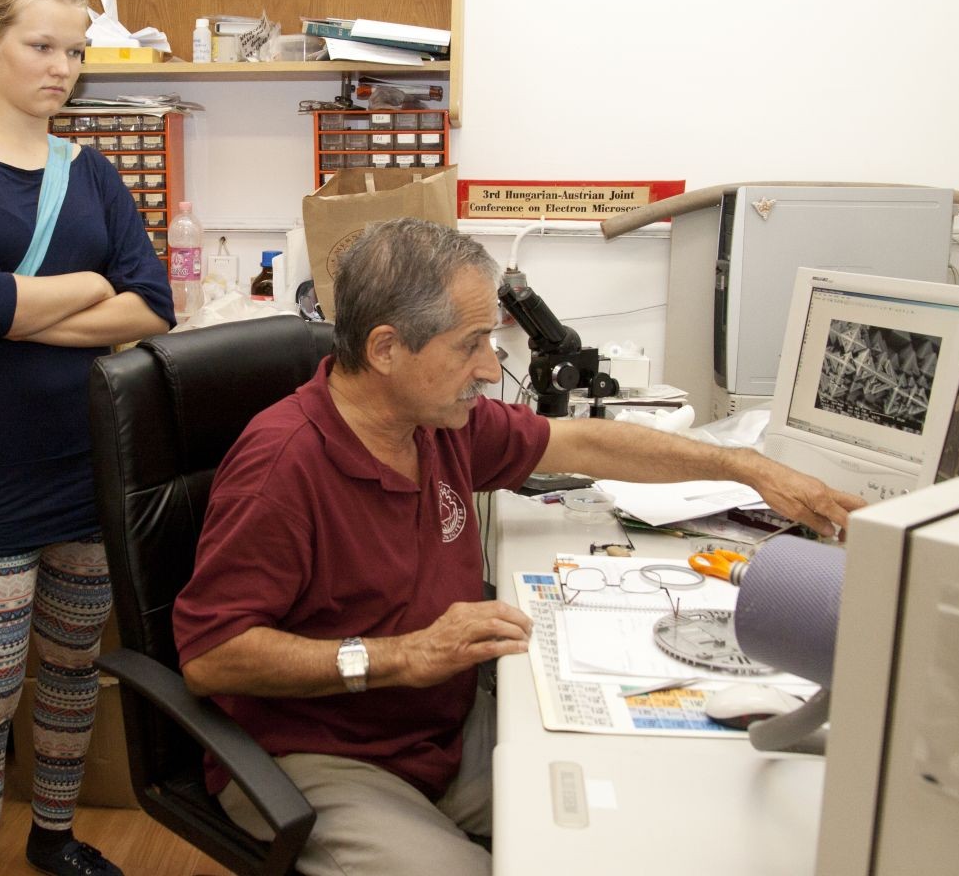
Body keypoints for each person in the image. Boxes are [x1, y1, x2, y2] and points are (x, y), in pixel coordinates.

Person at [172, 217, 867, 876]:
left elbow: (584, 443)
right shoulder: (282, 465)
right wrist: (403, 655)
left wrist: (746, 467)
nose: (488, 367)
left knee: (628, 828)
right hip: (319, 752)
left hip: (435, 729)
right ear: (385, 350)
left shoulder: (437, 423)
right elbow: (210, 656)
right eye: (470, 344)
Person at [0, 0, 173, 876]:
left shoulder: (90, 171)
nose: (62, 68)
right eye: (41, 46)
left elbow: (153, 305)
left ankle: (53, 838)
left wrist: (28, 311)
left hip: (85, 457)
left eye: (76, 52)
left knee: (69, 672)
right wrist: (91, 285)